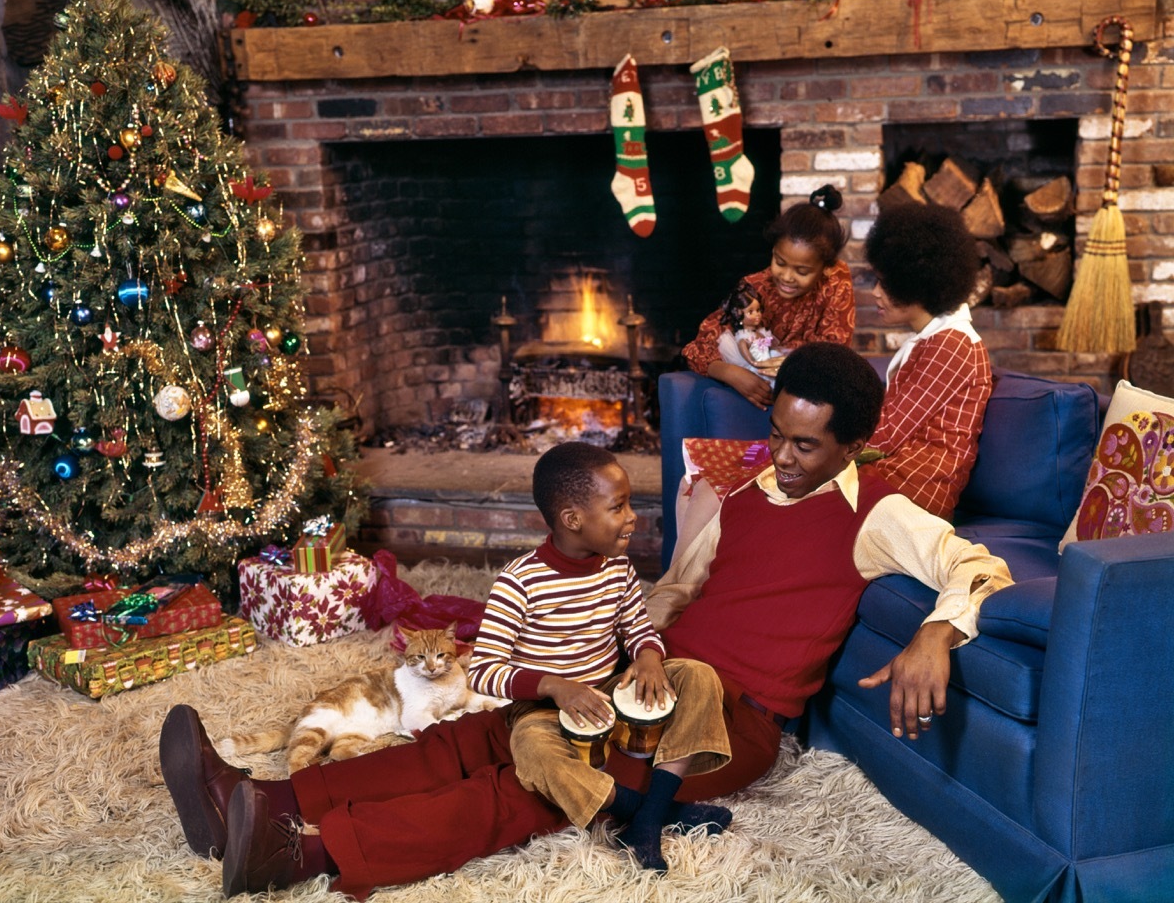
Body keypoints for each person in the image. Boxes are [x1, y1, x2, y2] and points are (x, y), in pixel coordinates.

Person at [158, 343, 1013, 900]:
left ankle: (302, 854)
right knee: (488, 735)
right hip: (643, 680)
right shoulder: (747, 497)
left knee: (528, 786)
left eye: (806, 447)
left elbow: (973, 566)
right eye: (776, 434)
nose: (781, 459)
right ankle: (262, 797)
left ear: (853, 444)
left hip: (726, 723)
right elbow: (675, 590)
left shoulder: (877, 513)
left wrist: (937, 633)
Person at [467, 441, 730, 872]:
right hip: (545, 706)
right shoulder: (519, 582)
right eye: (619, 507)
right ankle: (644, 812)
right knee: (532, 749)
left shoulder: (618, 569)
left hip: (609, 689)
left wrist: (647, 656)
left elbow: (639, 629)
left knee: (698, 676)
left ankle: (652, 809)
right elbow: (482, 672)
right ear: (573, 519)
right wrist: (554, 686)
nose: (632, 517)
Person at [862, 202, 993, 520]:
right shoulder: (933, 339)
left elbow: (885, 434)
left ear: (917, 280)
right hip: (891, 478)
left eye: (886, 282)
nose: (875, 293)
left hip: (912, 493)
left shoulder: (952, 343)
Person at [681, 184, 855, 409]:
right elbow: (700, 345)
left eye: (802, 271)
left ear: (825, 268)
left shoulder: (836, 280)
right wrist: (730, 373)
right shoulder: (754, 287)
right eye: (780, 262)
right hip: (753, 394)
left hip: (809, 393)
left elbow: (835, 353)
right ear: (773, 251)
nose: (787, 277)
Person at [713, 280, 784, 384]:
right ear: (738, 314)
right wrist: (761, 364)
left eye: (758, 310)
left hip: (769, 362)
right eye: (751, 312)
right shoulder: (743, 339)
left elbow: (772, 348)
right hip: (757, 368)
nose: (757, 315)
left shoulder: (761, 333)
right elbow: (751, 362)